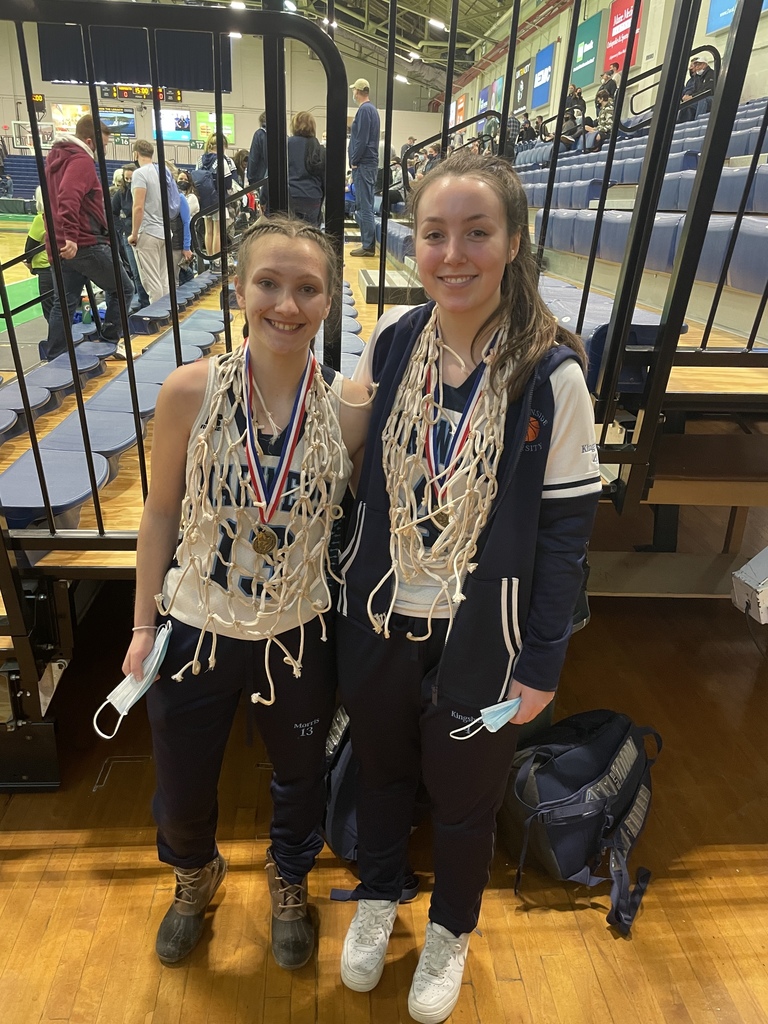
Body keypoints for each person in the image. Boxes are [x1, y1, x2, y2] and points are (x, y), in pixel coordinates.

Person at [336, 152, 601, 1023]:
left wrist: (543, 666)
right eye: (435, 234)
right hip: (382, 614)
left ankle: (450, 929)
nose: (454, 254)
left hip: (486, 635)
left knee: (464, 794)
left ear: (514, 242)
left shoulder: (553, 376)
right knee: (379, 772)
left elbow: (564, 538)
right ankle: (379, 896)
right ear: (415, 243)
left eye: (477, 233)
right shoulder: (394, 341)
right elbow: (356, 471)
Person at [121, 215, 371, 972]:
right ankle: (194, 877)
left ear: (328, 301)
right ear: (239, 288)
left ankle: (289, 881)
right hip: (197, 624)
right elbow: (160, 512)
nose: (286, 305)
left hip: (297, 630)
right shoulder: (187, 391)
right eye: (269, 283)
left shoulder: (347, 407)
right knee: (184, 778)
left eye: (306, 288)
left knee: (299, 778)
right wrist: (140, 628)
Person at [41, 114, 134, 361]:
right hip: (82, 242)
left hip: (60, 243)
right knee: (124, 289)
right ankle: (109, 341)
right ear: (91, 141)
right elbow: (68, 197)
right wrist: (71, 236)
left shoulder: (56, 158)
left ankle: (56, 356)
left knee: (65, 301)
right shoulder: (81, 160)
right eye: (104, 143)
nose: (106, 148)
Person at [128, 139, 180, 304]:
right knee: (163, 279)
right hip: (165, 231)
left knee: (151, 282)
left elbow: (138, 207)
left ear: (136, 154)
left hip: (148, 232)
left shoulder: (140, 173)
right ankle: (168, 318)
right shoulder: (163, 171)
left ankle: (159, 321)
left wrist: (134, 234)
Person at [112, 162, 150, 312]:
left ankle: (155, 301)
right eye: (126, 179)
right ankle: (144, 303)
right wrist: (122, 228)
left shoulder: (146, 190)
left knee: (149, 272)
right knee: (136, 272)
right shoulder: (121, 193)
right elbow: (112, 212)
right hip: (129, 237)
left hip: (147, 234)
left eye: (131, 179)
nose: (128, 182)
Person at [348, 78, 380, 257]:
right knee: (363, 204)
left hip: (363, 164)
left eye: (354, 91)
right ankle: (367, 243)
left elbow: (361, 139)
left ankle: (368, 245)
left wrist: (354, 159)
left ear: (358, 92)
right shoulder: (371, 110)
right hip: (367, 164)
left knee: (364, 206)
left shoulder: (365, 110)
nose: (353, 93)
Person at [195, 133, 237, 266]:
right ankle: (218, 260)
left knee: (208, 230)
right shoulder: (221, 160)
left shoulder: (200, 159)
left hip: (204, 200)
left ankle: (210, 259)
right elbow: (229, 183)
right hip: (218, 199)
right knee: (219, 231)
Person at [287, 111, 325, 228]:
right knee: (311, 235)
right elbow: (324, 178)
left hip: (290, 196)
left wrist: (263, 198)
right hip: (312, 197)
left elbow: (272, 173)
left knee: (290, 235)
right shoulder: (319, 147)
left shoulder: (286, 144)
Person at [23, 187, 53, 322]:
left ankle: (57, 340)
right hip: (64, 265)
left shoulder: (41, 219)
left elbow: (30, 245)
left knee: (50, 308)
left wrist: (28, 262)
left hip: (46, 266)